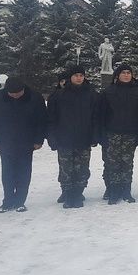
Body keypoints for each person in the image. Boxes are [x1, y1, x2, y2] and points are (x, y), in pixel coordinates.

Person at [0, 76, 47, 213]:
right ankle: (7, 201)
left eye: (18, 93)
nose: (15, 96)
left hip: (27, 141)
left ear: (23, 89)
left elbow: (42, 120)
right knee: (7, 172)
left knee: (24, 172)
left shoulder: (35, 97)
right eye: (11, 94)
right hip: (4, 142)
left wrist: (38, 140)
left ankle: (20, 201)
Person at [46, 64, 99, 209]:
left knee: (82, 169)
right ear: (70, 77)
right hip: (64, 139)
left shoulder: (91, 94)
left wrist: (95, 136)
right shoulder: (58, 95)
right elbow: (51, 119)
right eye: (76, 75)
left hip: (84, 138)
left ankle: (78, 194)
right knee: (66, 169)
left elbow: (96, 117)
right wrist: (51, 137)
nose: (79, 78)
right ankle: (68, 194)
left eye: (81, 75)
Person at [99, 64, 138, 205]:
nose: (126, 75)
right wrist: (101, 134)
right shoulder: (108, 92)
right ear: (117, 75)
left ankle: (126, 191)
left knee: (127, 164)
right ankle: (113, 191)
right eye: (123, 73)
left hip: (130, 134)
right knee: (112, 164)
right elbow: (101, 115)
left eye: (128, 72)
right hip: (112, 134)